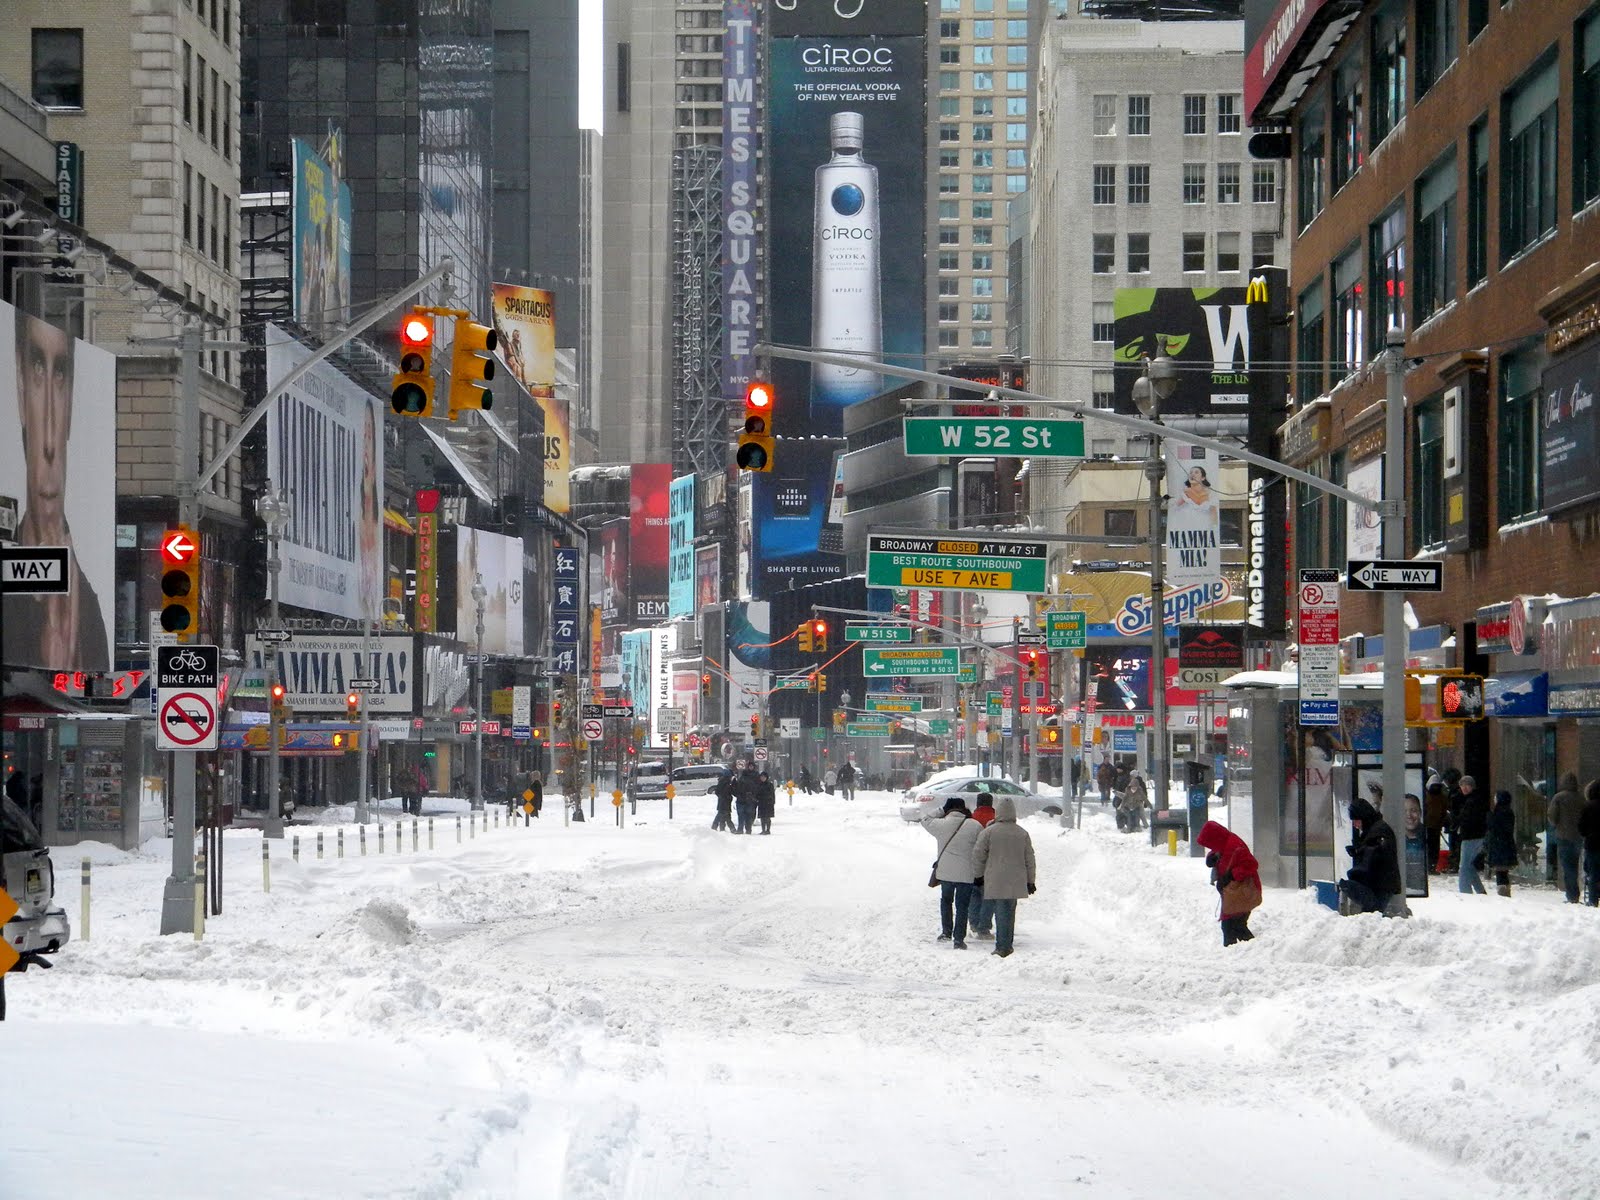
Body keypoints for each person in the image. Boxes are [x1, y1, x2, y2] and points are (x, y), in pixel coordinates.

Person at [4, 311, 109, 672]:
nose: (48, 434)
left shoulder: (90, 612)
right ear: (19, 381)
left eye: (60, 372)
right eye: (37, 368)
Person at [971, 796, 1036, 958]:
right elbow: (1030, 859)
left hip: (995, 878)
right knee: (1009, 911)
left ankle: (1002, 946)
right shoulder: (1022, 833)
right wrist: (1030, 881)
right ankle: (1007, 943)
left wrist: (978, 875)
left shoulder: (989, 832)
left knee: (1000, 911)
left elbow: (978, 855)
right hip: (1015, 879)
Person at [922, 797, 981, 949]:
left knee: (946, 901)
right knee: (963, 906)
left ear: (948, 809)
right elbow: (980, 847)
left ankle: (946, 932)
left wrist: (941, 809)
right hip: (966, 873)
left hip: (946, 873)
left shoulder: (940, 824)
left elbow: (925, 818)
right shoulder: (974, 825)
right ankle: (959, 939)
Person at [1195, 820, 1262, 945]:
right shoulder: (1224, 842)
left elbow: (1252, 864)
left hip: (1242, 892)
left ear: (1215, 838)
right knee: (1234, 926)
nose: (1210, 847)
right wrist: (1212, 857)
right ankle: (1243, 953)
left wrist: (1231, 875)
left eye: (1210, 844)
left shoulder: (1235, 846)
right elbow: (1220, 851)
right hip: (1233, 892)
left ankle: (1247, 953)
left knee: (1233, 926)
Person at [1340, 795, 1404, 916]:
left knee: (1373, 914)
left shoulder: (1379, 830)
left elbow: (1375, 855)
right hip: (1378, 883)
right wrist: (1358, 851)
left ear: (1363, 817)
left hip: (1381, 884)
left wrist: (1359, 852)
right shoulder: (1373, 829)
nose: (1355, 825)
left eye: (1356, 820)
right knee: (1371, 915)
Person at [1547, 772, 1585, 904]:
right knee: (1575, 864)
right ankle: (1576, 893)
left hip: (1563, 836)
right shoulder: (1581, 798)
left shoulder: (1558, 798)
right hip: (1578, 836)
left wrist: (1556, 825)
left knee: (1568, 866)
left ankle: (1572, 895)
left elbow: (1552, 817)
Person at [967, 787, 999, 940]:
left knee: (974, 894)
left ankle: (973, 922)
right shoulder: (997, 819)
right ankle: (984, 927)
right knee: (989, 896)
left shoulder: (971, 819)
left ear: (978, 803)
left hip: (973, 863)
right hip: (992, 863)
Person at [1453, 775, 1489, 895]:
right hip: (1474, 836)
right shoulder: (1471, 799)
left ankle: (1465, 891)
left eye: (1467, 785)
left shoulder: (1472, 801)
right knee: (1470, 866)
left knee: (1464, 867)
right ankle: (1480, 890)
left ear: (1472, 786)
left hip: (1471, 837)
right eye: (1462, 785)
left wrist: (1457, 821)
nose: (1464, 787)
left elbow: (1468, 818)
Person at [1485, 789, 1520, 897]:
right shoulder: (1508, 812)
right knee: (1503, 872)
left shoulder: (1498, 813)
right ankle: (1505, 891)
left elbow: (1493, 828)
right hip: (1506, 845)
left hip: (1499, 846)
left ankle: (1503, 893)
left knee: (1500, 872)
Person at [1579, 780, 1600, 907]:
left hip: (1592, 844)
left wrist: (1588, 834)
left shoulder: (1588, 806)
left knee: (1592, 873)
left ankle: (1593, 900)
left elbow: (1582, 827)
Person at [1423, 780, 1449, 874]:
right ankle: (1431, 866)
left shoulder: (1428, 796)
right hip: (1433, 826)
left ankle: (1431, 866)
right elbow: (1444, 811)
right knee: (1433, 847)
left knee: (1431, 847)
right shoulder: (1441, 797)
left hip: (1431, 825)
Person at [734, 764, 759, 834]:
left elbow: (735, 790)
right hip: (749, 801)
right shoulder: (751, 782)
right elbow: (755, 790)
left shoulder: (739, 781)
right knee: (748, 816)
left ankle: (740, 829)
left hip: (741, 800)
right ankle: (748, 829)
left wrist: (739, 796)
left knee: (741, 816)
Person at [712, 767, 735, 832]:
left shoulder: (721, 781)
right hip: (725, 801)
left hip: (722, 801)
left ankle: (722, 828)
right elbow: (729, 791)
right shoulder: (726, 782)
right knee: (723, 814)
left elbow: (717, 792)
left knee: (723, 815)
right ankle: (730, 828)